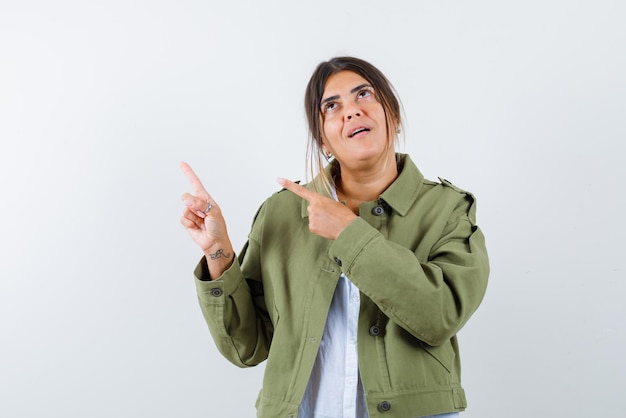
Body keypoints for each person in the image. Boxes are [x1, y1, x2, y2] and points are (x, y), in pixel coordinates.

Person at [180, 56, 489, 418]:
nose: (352, 112)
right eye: (332, 106)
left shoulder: (447, 209)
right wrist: (218, 253)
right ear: (323, 138)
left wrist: (348, 232)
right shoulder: (280, 213)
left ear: (393, 114)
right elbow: (246, 346)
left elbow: (440, 315)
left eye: (364, 95)